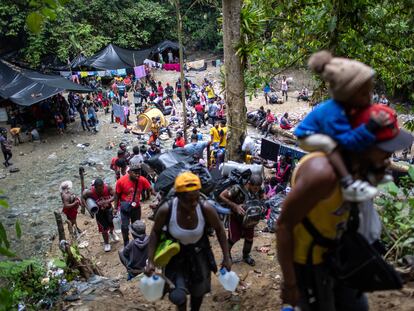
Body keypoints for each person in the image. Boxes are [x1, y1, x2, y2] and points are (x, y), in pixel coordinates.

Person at [276, 104, 414, 311]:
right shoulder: (322, 174)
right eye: (385, 151)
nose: (389, 158)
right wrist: (290, 283)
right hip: (310, 265)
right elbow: (284, 226)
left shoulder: (358, 168)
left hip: (337, 254)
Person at [294, 50, 392, 202]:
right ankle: (348, 183)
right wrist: (370, 126)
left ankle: (372, 170)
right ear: (347, 94)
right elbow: (347, 140)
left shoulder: (349, 108)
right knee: (332, 144)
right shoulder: (334, 113)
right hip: (308, 135)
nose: (369, 98)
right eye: (363, 94)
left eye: (369, 93)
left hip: (329, 131)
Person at [145, 172, 232, 311]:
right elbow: (155, 232)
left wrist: (226, 257)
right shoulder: (166, 210)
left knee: (198, 293)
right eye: (188, 200)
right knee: (178, 296)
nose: (193, 203)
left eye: (196, 198)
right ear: (178, 197)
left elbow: (220, 230)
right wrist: (150, 261)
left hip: (199, 255)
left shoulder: (206, 209)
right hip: (175, 256)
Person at [219, 175, 264, 266]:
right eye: (254, 188)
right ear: (249, 184)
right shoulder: (237, 189)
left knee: (249, 238)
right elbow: (222, 196)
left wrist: (261, 206)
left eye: (258, 188)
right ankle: (227, 256)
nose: (256, 190)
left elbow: (262, 197)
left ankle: (246, 255)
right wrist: (235, 206)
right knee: (233, 238)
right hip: (235, 217)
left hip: (250, 218)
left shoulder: (259, 189)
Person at [114, 163, 154, 246]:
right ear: (129, 172)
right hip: (125, 208)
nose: (137, 175)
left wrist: (159, 195)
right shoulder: (121, 181)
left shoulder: (142, 180)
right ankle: (126, 242)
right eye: (135, 173)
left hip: (136, 208)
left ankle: (138, 242)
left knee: (137, 227)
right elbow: (117, 195)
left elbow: (150, 189)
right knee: (125, 227)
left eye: (139, 172)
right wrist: (115, 208)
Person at [83, 178, 119, 252]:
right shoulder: (90, 192)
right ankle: (106, 243)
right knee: (104, 228)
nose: (101, 190)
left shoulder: (108, 188)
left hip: (109, 209)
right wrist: (89, 209)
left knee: (112, 224)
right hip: (99, 212)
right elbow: (83, 198)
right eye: (99, 189)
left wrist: (107, 201)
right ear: (95, 188)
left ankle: (112, 233)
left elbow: (115, 195)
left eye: (102, 188)